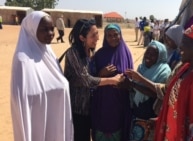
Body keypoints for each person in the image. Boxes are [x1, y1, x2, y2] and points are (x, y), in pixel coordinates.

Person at [10, 11, 73, 141]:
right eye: (44, 29)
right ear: (32, 30)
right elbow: (21, 101)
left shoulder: (49, 55)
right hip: (36, 128)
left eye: (52, 29)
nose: (50, 34)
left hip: (56, 127)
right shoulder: (23, 61)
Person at [63, 19, 125, 141]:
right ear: (82, 38)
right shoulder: (73, 53)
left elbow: (93, 75)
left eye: (97, 33)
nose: (97, 38)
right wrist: (112, 80)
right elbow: (86, 80)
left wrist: (101, 73)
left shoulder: (91, 51)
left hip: (92, 107)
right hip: (78, 110)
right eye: (93, 35)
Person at [90, 23, 133, 141]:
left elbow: (131, 78)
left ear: (120, 35)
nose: (113, 38)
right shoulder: (99, 55)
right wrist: (101, 74)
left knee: (118, 130)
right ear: (105, 37)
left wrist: (125, 81)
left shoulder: (126, 53)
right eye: (109, 35)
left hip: (120, 102)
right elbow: (90, 80)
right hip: (102, 102)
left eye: (116, 35)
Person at [128, 40, 171, 141]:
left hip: (150, 116)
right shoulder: (141, 68)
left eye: (153, 54)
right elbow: (135, 90)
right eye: (147, 52)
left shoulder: (164, 71)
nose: (148, 56)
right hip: (137, 113)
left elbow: (156, 93)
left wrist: (134, 83)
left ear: (160, 56)